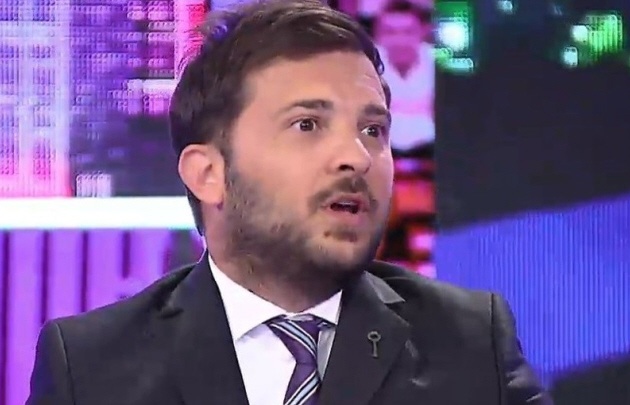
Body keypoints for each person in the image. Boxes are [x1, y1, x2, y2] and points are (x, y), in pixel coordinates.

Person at [27, 1, 552, 404]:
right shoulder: (92, 369)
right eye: (307, 125)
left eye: (373, 130)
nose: (356, 157)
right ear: (208, 174)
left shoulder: (469, 343)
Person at [373, 0, 435, 152]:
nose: (399, 40)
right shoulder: (367, 63)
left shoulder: (437, 62)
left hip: (434, 149)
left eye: (408, 32)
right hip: (380, 149)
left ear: (423, 31)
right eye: (390, 32)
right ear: (377, 34)